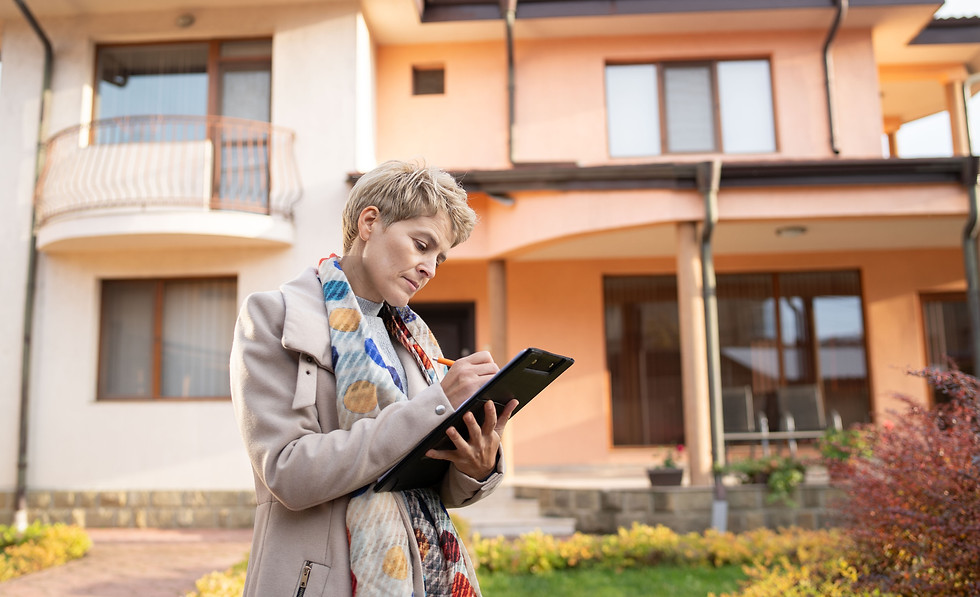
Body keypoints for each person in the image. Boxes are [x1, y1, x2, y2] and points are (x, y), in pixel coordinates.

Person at [229, 160, 518, 597]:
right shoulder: (275, 317)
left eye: (439, 257)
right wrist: (435, 403)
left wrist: (474, 465)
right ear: (370, 222)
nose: (429, 268)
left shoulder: (414, 340)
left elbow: (423, 479)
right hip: (319, 579)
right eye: (421, 245)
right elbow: (288, 474)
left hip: (418, 576)